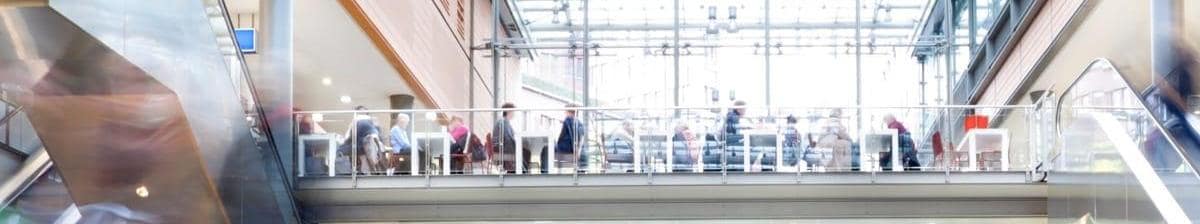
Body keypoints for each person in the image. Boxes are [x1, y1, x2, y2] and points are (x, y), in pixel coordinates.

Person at [554, 104, 586, 173]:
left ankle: (546, 170)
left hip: (567, 148)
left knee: (547, 148)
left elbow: (567, 136)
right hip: (574, 149)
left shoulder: (568, 121)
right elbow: (581, 137)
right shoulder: (579, 123)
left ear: (569, 112)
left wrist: (576, 151)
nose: (564, 113)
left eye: (565, 112)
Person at [492, 103, 518, 173]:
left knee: (525, 151)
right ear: (509, 111)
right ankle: (517, 172)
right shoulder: (503, 122)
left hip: (503, 148)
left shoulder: (504, 122)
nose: (514, 114)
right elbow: (508, 139)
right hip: (502, 151)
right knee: (524, 152)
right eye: (513, 111)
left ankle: (517, 172)